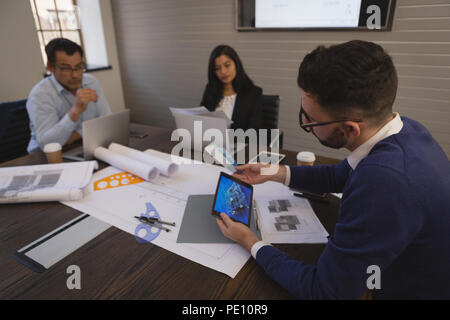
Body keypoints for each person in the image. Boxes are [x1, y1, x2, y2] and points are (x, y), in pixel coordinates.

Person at [216, 40, 450, 299]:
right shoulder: (404, 127)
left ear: (350, 129)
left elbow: (325, 291)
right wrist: (275, 173)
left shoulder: (385, 183)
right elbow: (339, 175)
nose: (306, 123)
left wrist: (250, 241)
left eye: (310, 120)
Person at [26, 38, 111, 152]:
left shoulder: (90, 82)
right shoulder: (40, 95)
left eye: (79, 66)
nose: (75, 75)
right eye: (66, 68)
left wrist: (74, 135)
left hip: (84, 146)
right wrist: (75, 111)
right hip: (43, 158)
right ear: (51, 67)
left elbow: (108, 121)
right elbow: (48, 144)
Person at [200, 45, 263, 131]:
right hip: (211, 142)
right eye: (217, 68)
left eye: (227, 65)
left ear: (236, 64)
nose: (223, 71)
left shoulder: (254, 94)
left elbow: (253, 133)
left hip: (237, 143)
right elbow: (201, 120)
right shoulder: (210, 90)